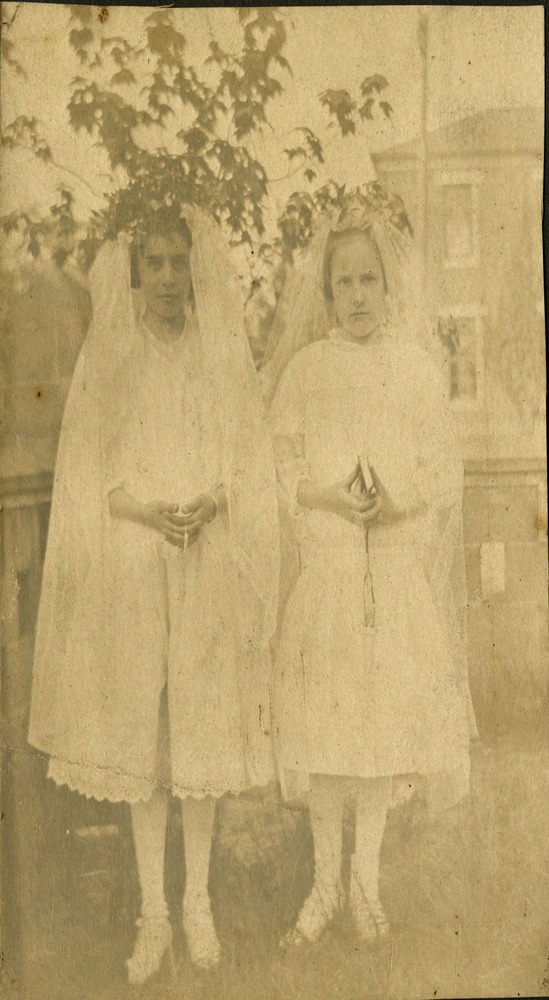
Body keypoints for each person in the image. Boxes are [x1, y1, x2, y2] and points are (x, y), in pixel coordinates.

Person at [28, 207, 279, 984]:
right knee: (142, 732)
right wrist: (145, 510)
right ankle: (153, 914)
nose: (170, 279)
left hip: (202, 559)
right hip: (134, 563)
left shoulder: (216, 356)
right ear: (136, 272)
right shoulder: (113, 358)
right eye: (156, 265)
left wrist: (208, 500)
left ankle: (197, 905)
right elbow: (87, 476)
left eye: (180, 263)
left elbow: (245, 459)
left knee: (198, 729)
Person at [266, 184, 476, 948]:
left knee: (381, 732)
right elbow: (280, 461)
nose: (356, 296)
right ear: (325, 292)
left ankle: (366, 883)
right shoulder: (307, 372)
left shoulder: (416, 370)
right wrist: (325, 493)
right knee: (326, 736)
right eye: (343, 282)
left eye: (368, 280)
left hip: (390, 569)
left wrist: (395, 500)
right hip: (327, 573)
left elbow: (442, 471)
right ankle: (323, 885)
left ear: (389, 287)